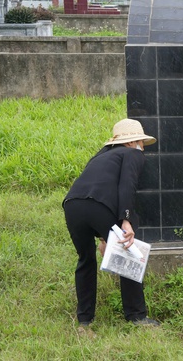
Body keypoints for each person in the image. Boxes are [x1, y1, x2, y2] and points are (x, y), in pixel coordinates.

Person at [63, 118, 160, 329]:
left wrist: (102, 236)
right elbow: (127, 185)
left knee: (85, 260)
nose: (143, 147)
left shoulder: (100, 157)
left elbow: (96, 189)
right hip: (99, 207)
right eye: (141, 142)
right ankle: (137, 317)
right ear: (130, 142)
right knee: (129, 253)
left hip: (72, 205)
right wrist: (126, 220)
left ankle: (84, 321)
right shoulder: (132, 154)